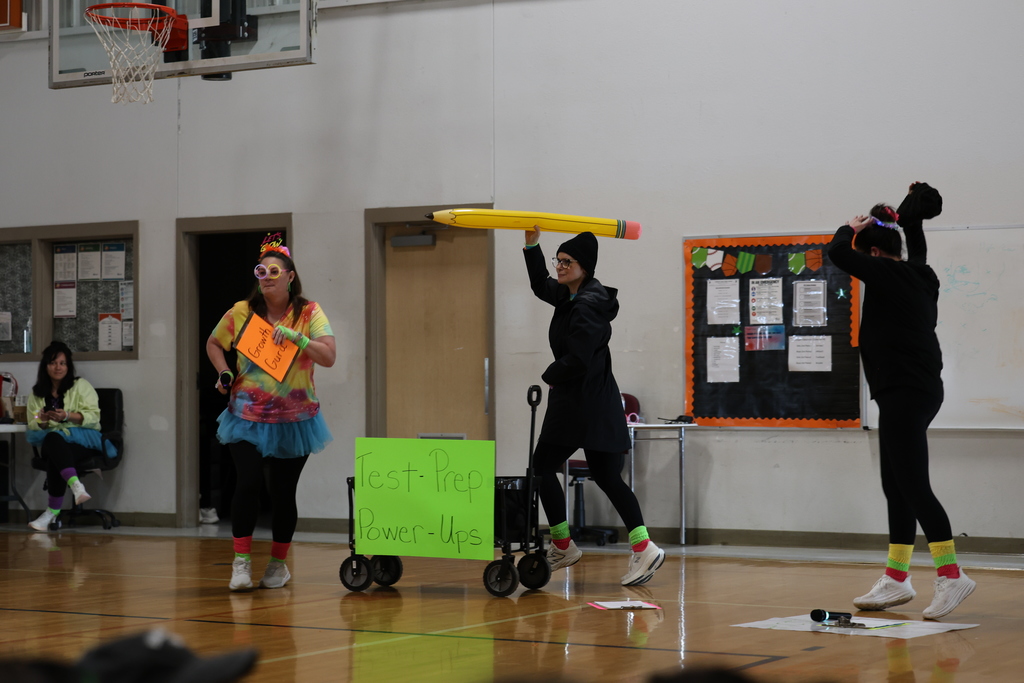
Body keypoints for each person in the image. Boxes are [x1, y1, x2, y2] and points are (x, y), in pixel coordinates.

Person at [828, 182, 975, 619]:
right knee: (897, 487)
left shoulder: (887, 273)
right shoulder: (920, 274)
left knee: (912, 485)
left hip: (905, 392)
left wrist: (846, 228)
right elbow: (918, 251)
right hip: (911, 391)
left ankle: (951, 575)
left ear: (873, 254)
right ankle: (896, 579)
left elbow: (839, 253)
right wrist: (905, 226)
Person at [523, 228, 665, 586]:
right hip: (597, 403)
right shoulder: (574, 295)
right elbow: (540, 284)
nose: (559, 266)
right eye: (558, 259)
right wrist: (531, 244)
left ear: (584, 268)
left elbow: (579, 358)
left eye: (566, 262)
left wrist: (550, 373)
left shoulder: (585, 306)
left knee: (541, 468)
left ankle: (562, 544)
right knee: (606, 476)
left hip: (578, 403)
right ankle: (643, 546)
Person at [206, 233, 336, 591]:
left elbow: (328, 356)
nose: (266, 277)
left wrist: (299, 339)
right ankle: (241, 563)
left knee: (282, 492)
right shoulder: (241, 312)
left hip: (295, 419)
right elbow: (214, 342)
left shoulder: (308, 313)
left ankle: (278, 566)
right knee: (247, 484)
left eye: (274, 271)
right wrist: (224, 371)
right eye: (261, 271)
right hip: (245, 415)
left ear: (290, 277)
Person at [25, 341, 116, 532]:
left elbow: (94, 417)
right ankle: (76, 487)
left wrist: (66, 416)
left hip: (83, 441)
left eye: (62, 363)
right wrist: (41, 420)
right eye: (53, 363)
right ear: (45, 366)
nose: (58, 367)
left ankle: (51, 512)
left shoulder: (80, 385)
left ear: (68, 366)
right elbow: (33, 421)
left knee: (53, 450)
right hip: (56, 441)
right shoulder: (37, 393)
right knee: (53, 442)